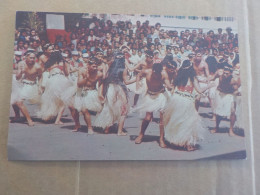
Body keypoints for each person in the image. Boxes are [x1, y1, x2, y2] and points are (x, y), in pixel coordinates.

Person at [163, 60, 214, 151]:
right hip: (186, 101)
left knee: (176, 121)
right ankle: (187, 144)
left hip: (176, 100)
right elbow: (199, 91)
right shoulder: (193, 78)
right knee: (187, 123)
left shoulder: (178, 76)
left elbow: (172, 88)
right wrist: (209, 86)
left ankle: (176, 141)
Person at [94, 52, 137, 135]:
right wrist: (136, 79)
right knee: (123, 110)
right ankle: (119, 131)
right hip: (120, 89)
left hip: (110, 88)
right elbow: (126, 82)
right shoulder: (123, 69)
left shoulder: (110, 68)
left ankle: (107, 128)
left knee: (110, 108)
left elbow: (105, 79)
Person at [133, 62, 173, 148]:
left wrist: (170, 87)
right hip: (150, 95)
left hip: (161, 95)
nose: (157, 74)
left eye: (159, 72)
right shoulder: (146, 71)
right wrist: (137, 85)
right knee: (148, 118)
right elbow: (138, 75)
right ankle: (141, 135)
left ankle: (161, 139)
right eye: (155, 72)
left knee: (162, 119)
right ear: (152, 70)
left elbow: (168, 84)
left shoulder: (163, 74)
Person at [37, 51, 73, 124]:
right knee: (62, 101)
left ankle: (48, 116)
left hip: (50, 80)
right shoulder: (63, 63)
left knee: (51, 99)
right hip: (60, 80)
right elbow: (67, 73)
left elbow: (40, 72)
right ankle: (58, 120)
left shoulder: (48, 64)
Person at [74, 57, 104, 134]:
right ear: (88, 65)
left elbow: (101, 84)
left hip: (92, 90)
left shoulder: (99, 74)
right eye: (93, 66)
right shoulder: (82, 71)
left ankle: (104, 125)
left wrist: (100, 94)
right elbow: (79, 84)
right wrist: (86, 78)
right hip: (81, 90)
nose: (95, 68)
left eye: (96, 66)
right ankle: (83, 126)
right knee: (77, 108)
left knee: (100, 109)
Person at [12, 51, 43, 126]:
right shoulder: (21, 64)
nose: (32, 59)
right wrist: (21, 71)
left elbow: (40, 76)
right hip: (22, 83)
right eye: (30, 57)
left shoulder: (37, 66)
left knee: (19, 102)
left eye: (33, 58)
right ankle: (18, 116)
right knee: (14, 100)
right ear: (26, 57)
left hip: (31, 85)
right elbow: (17, 77)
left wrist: (39, 86)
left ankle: (29, 120)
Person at [211, 64, 241, 136]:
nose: (225, 74)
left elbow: (236, 90)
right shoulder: (221, 77)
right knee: (218, 112)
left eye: (227, 73)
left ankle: (231, 130)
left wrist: (237, 93)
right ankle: (216, 127)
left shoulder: (234, 80)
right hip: (221, 94)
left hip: (230, 95)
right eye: (224, 72)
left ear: (230, 73)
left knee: (233, 112)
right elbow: (219, 87)